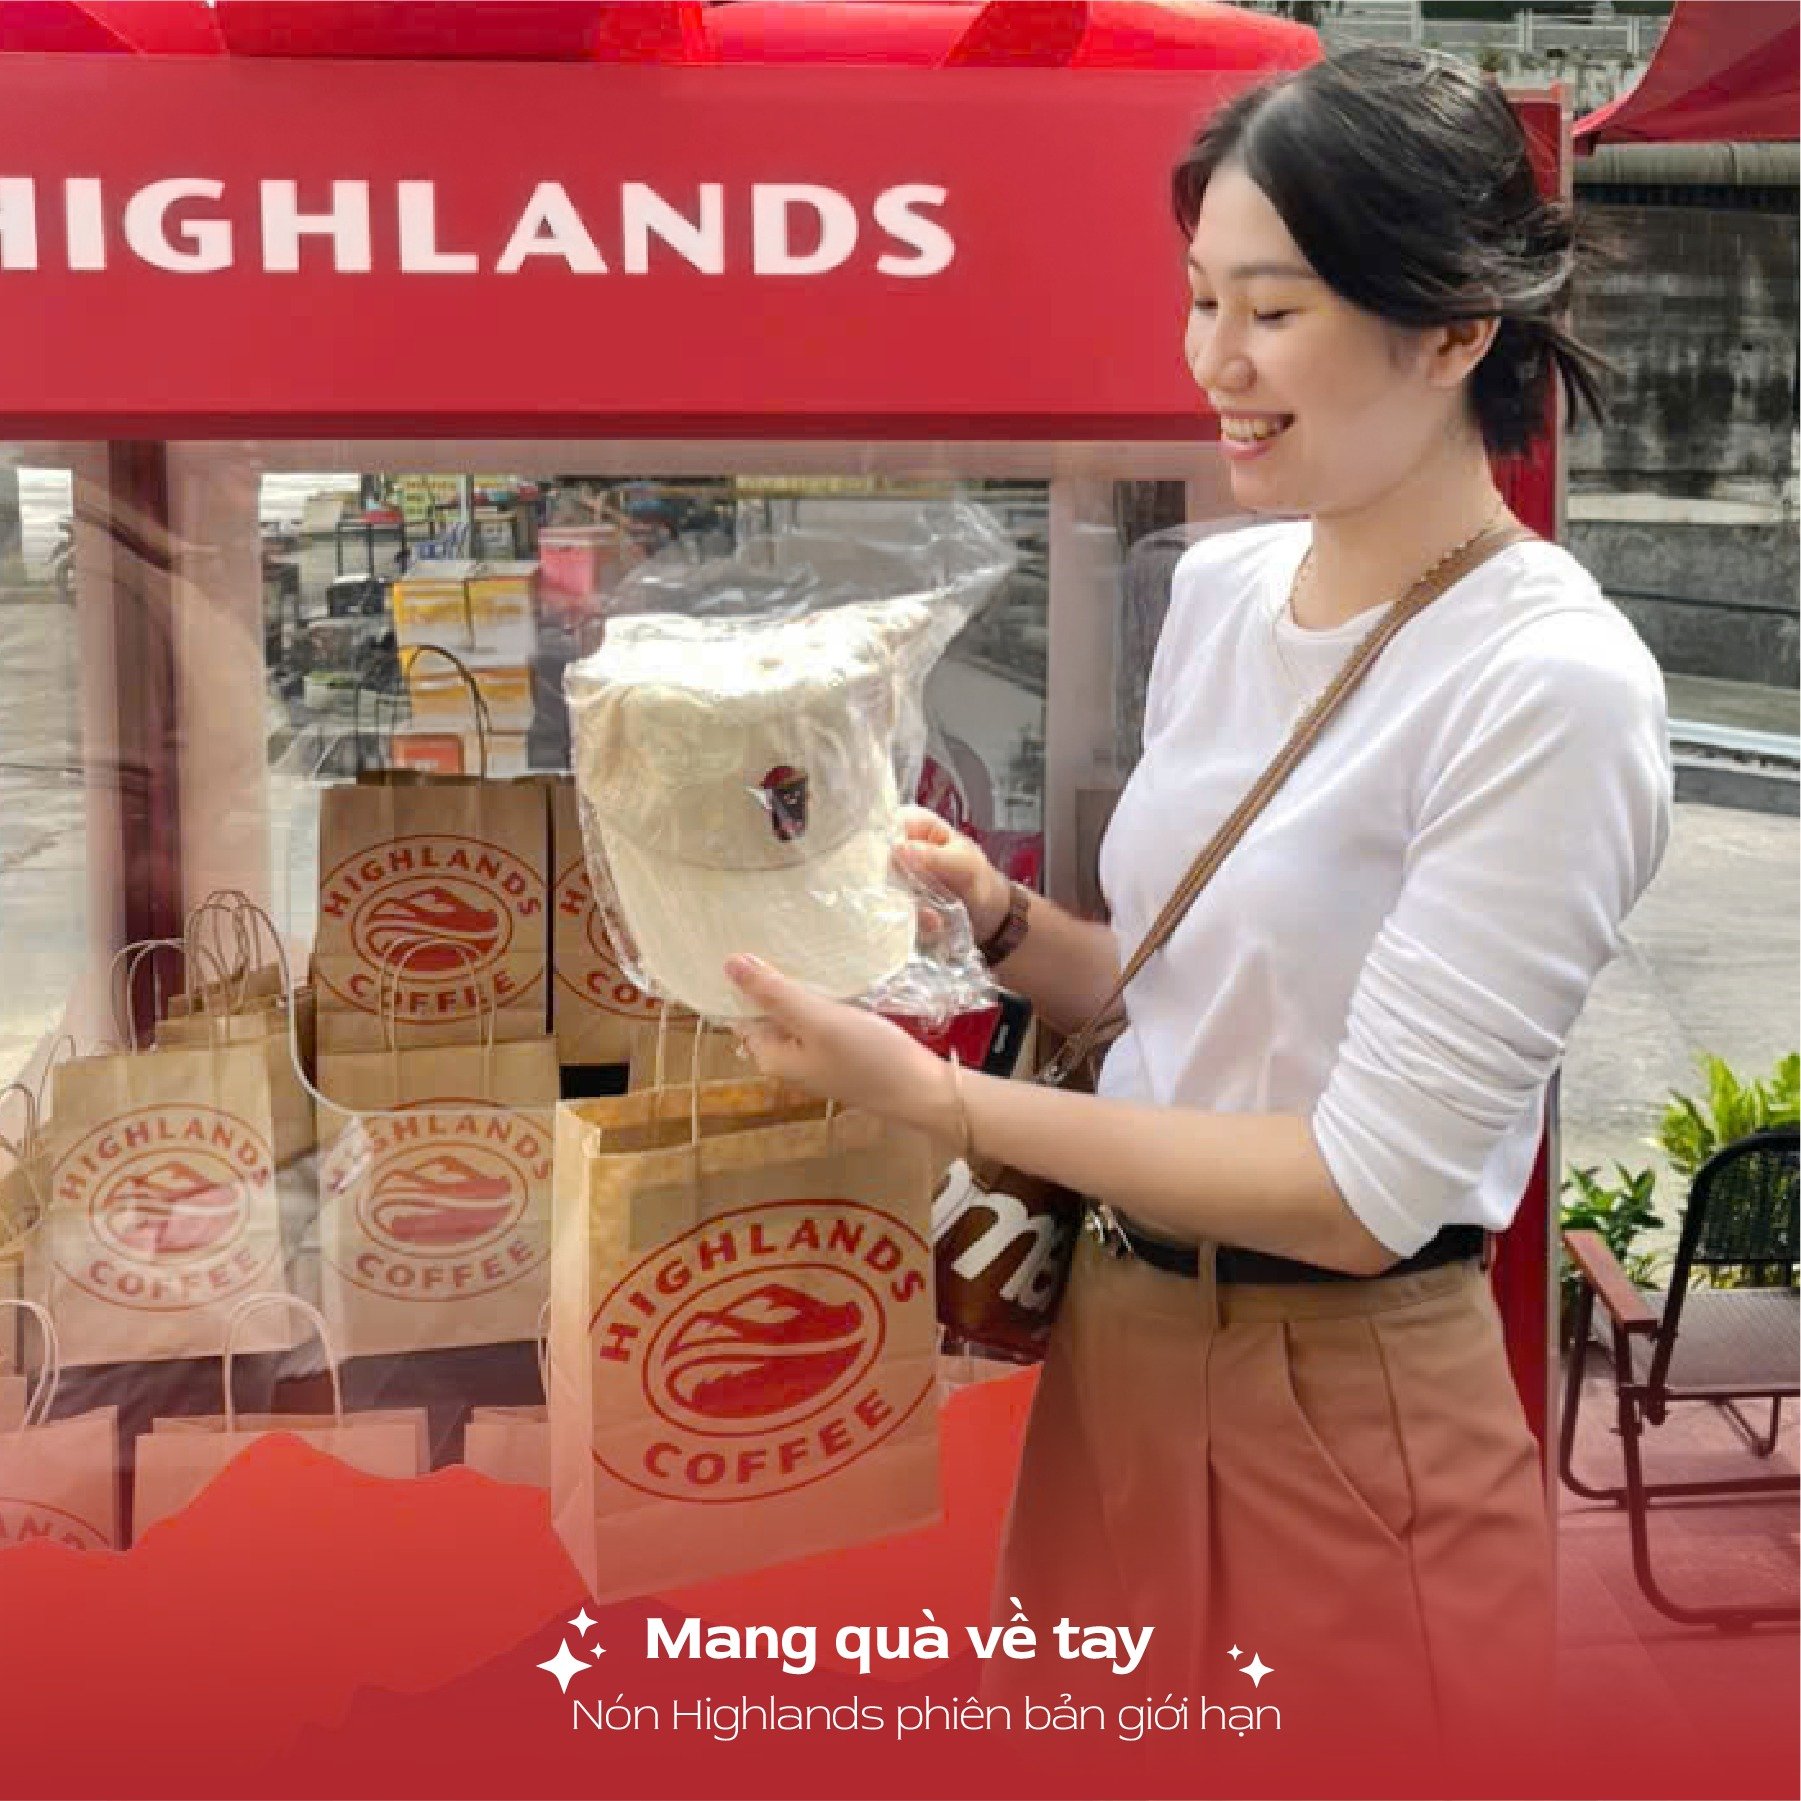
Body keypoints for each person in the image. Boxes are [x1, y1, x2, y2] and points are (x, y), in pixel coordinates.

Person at [723, 45, 1672, 1764]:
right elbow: (1184, 998)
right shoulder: (1231, 585)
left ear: (1453, 330)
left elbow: (1358, 1187)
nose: (1212, 365)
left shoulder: (1547, 686)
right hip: (1120, 1338)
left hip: (1342, 1390)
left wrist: (938, 1101)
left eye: (1273, 311)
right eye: (1195, 300)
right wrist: (1004, 921)